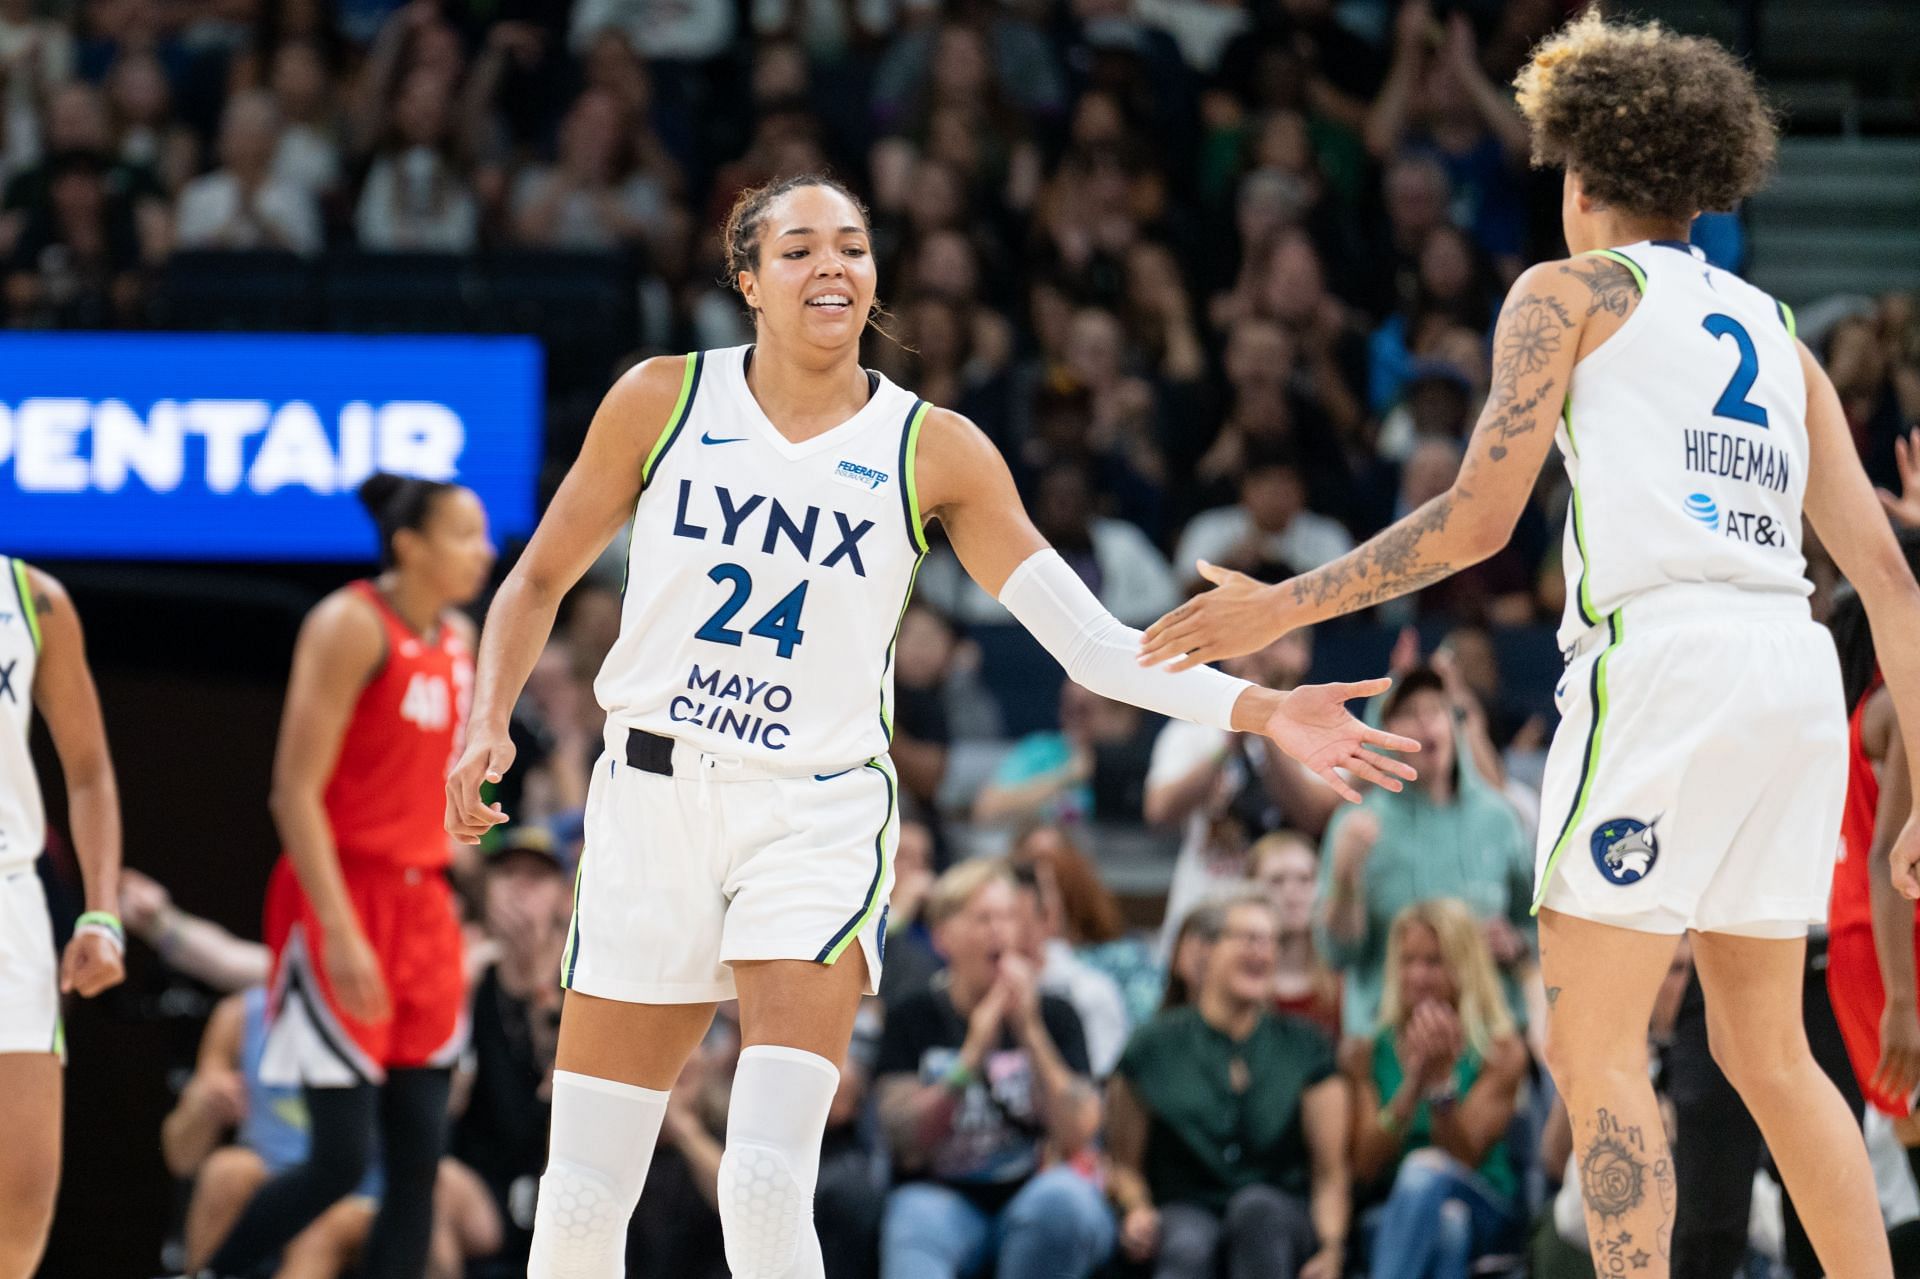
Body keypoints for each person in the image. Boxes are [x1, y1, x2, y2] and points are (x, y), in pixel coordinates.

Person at [442, 172, 1418, 1278]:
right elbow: (534, 582)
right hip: (651, 801)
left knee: (764, 1186)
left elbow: (1093, 644)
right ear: (747, 280)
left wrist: (1262, 706)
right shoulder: (663, 397)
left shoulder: (934, 446)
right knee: (575, 1203)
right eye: (801, 248)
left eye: (852, 247)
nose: (832, 267)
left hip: (810, 812)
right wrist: (488, 721)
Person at [1143, 12, 1920, 1276]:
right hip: (1790, 667)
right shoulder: (1779, 333)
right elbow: (1891, 580)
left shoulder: (1566, 292)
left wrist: (1279, 608)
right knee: (1772, 1054)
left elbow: (1473, 521)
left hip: (1664, 659)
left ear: (1583, 170)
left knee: (1600, 1046)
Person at [204, 474, 494, 1279]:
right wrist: (337, 931)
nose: (486, 550)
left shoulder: (461, 639)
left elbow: (427, 785)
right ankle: (208, 1271)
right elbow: (292, 792)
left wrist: (469, 834)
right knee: (336, 1159)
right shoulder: (347, 623)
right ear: (410, 545)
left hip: (425, 904)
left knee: (419, 1163)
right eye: (465, 535)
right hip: (340, 897)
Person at [874, 859, 1108, 1279]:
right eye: (983, 918)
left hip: (1032, 1190)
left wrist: (1031, 1032)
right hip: (940, 1197)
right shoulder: (914, 1016)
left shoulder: (1056, 1015)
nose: (1000, 930)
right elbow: (906, 1141)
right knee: (911, 1222)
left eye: (1008, 918)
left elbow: (1079, 1133)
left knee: (1067, 1201)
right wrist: (972, 1057)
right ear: (943, 937)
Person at [1108, 893, 1349, 1279]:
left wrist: (1333, 1249)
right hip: (1185, 1208)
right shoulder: (1152, 1046)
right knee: (1187, 1243)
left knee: (1257, 1212)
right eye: (1248, 938)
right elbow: (1124, 1164)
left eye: (1271, 941)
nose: (1262, 952)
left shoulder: (1306, 1046)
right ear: (1203, 951)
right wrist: (1137, 1208)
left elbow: (1329, 1174)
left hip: (1279, 1217)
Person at [0, 554, 124, 1277]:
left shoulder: (34, 598)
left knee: (22, 1206)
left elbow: (89, 770)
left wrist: (101, 913)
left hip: (11, 899)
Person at [1316, 665, 1533, 1035]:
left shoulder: (1499, 817)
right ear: (1378, 736)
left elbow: (1536, 926)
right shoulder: (1356, 824)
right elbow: (1338, 954)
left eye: (1436, 710)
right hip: (1387, 1039)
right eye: (1407, 714)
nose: (1425, 724)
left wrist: (1515, 944)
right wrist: (1346, 878)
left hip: (1488, 1039)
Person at [1346, 900, 1528, 1279]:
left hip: (1484, 1204)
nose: (1417, 975)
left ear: (1465, 967)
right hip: (1392, 1209)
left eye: (1433, 962)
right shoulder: (1368, 1050)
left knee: (1425, 1171)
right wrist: (1413, 1084)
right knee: (1446, 1227)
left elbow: (1464, 1158)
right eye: (1407, 961)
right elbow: (1364, 1167)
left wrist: (1441, 1086)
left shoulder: (1501, 1051)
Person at [1827, 531, 1920, 1163]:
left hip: (1855, 946)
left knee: (1910, 1135)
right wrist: (1905, 1002)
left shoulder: (1866, 702)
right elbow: (1888, 852)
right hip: (1899, 949)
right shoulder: (1903, 706)